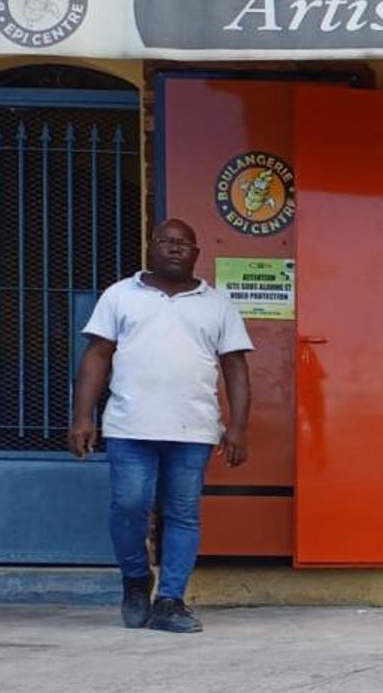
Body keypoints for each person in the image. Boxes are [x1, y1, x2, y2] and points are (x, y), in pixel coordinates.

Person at [68, 218, 253, 633]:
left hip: (193, 430)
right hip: (129, 426)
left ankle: (170, 601)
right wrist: (82, 417)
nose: (173, 249)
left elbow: (235, 368)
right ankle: (136, 580)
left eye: (182, 244)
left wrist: (238, 427)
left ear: (195, 254)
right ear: (152, 248)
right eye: (166, 242)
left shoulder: (217, 303)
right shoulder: (120, 295)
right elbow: (97, 356)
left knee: (182, 514)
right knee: (130, 506)